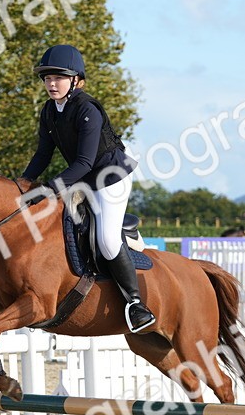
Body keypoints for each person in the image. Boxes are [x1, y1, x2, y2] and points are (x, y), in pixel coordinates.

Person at [20, 44, 156, 333]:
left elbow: (83, 162)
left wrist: (49, 189)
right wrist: (21, 186)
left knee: (106, 239)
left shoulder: (87, 110)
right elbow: (43, 155)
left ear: (75, 81)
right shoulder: (49, 111)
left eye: (58, 78)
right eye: (47, 78)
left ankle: (135, 304)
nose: (51, 84)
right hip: (83, 177)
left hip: (111, 177)